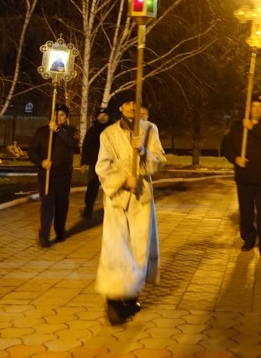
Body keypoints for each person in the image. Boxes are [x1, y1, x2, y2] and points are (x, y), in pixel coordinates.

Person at [94, 90, 165, 325]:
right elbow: (102, 167)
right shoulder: (109, 134)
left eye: (135, 102)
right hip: (117, 201)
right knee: (116, 250)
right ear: (121, 107)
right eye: (127, 103)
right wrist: (124, 180)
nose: (132, 106)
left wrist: (143, 152)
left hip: (141, 202)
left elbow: (160, 162)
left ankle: (131, 297)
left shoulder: (149, 130)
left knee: (138, 250)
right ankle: (114, 301)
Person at [220, 95, 261, 256]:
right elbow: (225, 146)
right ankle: (248, 239)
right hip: (244, 177)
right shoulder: (237, 126)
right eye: (254, 106)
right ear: (248, 108)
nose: (257, 110)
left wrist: (253, 127)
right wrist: (235, 158)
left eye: (260, 107)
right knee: (246, 211)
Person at [27, 103, 79, 248]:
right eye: (55, 114)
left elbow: (72, 145)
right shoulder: (42, 132)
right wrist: (41, 162)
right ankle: (44, 236)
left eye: (62, 115)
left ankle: (60, 231)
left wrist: (57, 130)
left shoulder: (70, 131)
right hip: (47, 175)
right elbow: (31, 151)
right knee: (47, 206)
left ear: (66, 118)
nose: (58, 117)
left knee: (62, 205)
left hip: (64, 176)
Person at [79, 105, 111, 219]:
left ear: (108, 116)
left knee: (111, 187)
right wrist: (84, 162)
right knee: (93, 186)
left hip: (110, 163)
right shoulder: (92, 130)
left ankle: (111, 210)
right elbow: (86, 146)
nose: (102, 118)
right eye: (100, 115)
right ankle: (88, 209)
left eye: (105, 115)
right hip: (95, 163)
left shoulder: (112, 130)